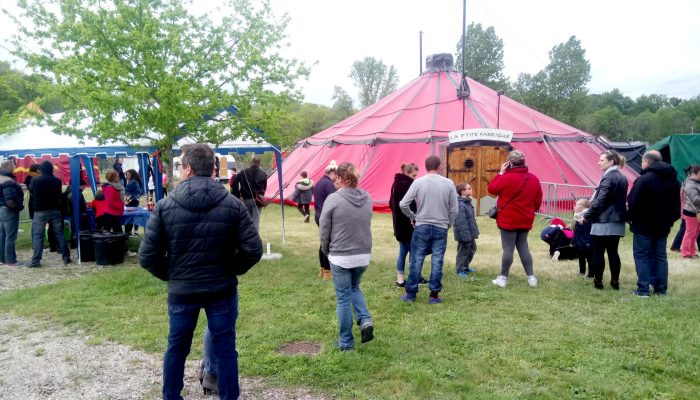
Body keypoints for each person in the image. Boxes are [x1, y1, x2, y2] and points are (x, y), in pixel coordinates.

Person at [139, 143, 262, 400]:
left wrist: (174, 275)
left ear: (189, 169)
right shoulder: (232, 204)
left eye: (181, 166)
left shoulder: (165, 206)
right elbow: (252, 249)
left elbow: (148, 256)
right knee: (225, 349)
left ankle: (171, 396)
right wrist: (230, 270)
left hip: (188, 291)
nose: (180, 170)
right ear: (212, 168)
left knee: (177, 348)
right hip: (220, 289)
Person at [319, 162, 374, 351]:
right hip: (363, 253)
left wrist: (326, 250)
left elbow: (324, 229)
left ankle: (346, 342)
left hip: (340, 255)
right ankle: (365, 320)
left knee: (343, 298)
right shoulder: (367, 197)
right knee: (354, 288)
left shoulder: (333, 199)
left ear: (340, 179)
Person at [399, 155, 458, 304]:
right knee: (437, 260)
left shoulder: (418, 182)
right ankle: (434, 295)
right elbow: (454, 209)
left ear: (425, 167)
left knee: (416, 260)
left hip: (422, 225)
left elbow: (403, 204)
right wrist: (448, 223)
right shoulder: (449, 183)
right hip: (440, 226)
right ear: (439, 166)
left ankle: (411, 294)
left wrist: (412, 216)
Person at [627, 150, 681, 297]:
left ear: (648, 162)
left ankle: (643, 289)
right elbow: (677, 208)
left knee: (642, 256)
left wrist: (631, 218)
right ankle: (661, 289)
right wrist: (669, 221)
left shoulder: (644, 179)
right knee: (660, 257)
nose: (641, 165)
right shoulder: (674, 181)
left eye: (642, 162)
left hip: (643, 225)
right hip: (663, 226)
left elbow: (632, 202)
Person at [488, 150, 543, 288]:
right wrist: (530, 210)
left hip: (508, 219)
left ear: (509, 163)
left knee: (508, 249)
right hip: (525, 218)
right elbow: (538, 200)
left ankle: (503, 278)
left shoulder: (506, 177)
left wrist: (501, 173)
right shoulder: (534, 178)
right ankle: (531, 278)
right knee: (523, 246)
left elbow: (492, 189)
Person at [583, 150, 628, 290]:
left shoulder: (608, 177)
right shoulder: (622, 177)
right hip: (617, 220)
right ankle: (615, 281)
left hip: (604, 220)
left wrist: (587, 214)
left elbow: (600, 200)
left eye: (602, 160)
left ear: (611, 161)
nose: (598, 162)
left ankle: (598, 281)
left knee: (599, 252)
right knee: (613, 252)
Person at [389, 162, 427, 287]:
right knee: (414, 251)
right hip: (408, 223)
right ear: (407, 173)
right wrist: (413, 216)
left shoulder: (395, 183)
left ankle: (400, 279)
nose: (415, 178)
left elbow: (391, 203)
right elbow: (407, 204)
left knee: (403, 251)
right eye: (414, 175)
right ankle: (415, 277)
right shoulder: (407, 184)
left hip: (399, 223)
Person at [28, 160, 71, 267]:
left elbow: (31, 192)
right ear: (51, 169)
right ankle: (66, 258)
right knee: (60, 234)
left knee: (38, 236)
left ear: (41, 169)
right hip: (55, 210)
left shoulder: (35, 180)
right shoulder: (57, 180)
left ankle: (36, 261)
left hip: (40, 211)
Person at [313, 161, 337, 280]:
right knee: (328, 244)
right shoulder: (328, 184)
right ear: (331, 172)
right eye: (336, 175)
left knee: (323, 243)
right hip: (325, 217)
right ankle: (327, 272)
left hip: (318, 215)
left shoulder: (319, 182)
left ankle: (322, 270)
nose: (337, 178)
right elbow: (333, 202)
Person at [230, 157, 267, 232]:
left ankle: (247, 239)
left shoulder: (243, 171)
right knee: (256, 221)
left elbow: (234, 183)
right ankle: (254, 240)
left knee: (247, 220)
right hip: (258, 200)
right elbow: (264, 188)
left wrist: (238, 195)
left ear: (251, 162)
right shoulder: (263, 173)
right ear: (259, 163)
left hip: (246, 199)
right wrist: (261, 195)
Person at [0, 159, 26, 267]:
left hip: (1, 209)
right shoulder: (8, 181)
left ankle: (3, 259)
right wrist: (18, 207)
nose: (15, 167)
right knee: (10, 236)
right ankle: (11, 261)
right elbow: (10, 200)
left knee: (2, 235)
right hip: (9, 210)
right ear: (9, 166)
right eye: (13, 165)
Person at [453, 183, 479, 277]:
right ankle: (459, 269)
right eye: (469, 188)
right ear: (463, 192)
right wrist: (465, 236)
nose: (471, 189)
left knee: (472, 249)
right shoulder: (460, 205)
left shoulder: (467, 203)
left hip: (469, 233)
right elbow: (461, 222)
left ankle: (465, 266)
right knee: (463, 251)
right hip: (464, 234)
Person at [680, 165, 700, 259]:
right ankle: (686, 253)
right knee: (690, 233)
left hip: (696, 212)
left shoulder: (696, 183)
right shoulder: (690, 185)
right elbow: (695, 200)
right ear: (694, 174)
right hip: (691, 212)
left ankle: (692, 252)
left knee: (695, 233)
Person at [572, 198, 594, 278]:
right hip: (579, 241)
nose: (574, 207)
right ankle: (582, 271)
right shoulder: (577, 216)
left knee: (590, 258)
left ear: (583, 208)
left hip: (588, 241)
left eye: (576, 205)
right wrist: (573, 241)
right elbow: (575, 230)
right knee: (581, 257)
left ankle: (591, 274)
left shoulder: (588, 217)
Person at [124, 169, 144, 235]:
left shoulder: (132, 182)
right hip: (134, 200)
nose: (126, 176)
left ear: (132, 175)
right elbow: (141, 192)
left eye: (128, 174)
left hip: (131, 201)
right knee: (135, 216)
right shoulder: (136, 181)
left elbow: (125, 191)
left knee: (129, 217)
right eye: (126, 174)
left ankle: (128, 232)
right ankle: (135, 232)